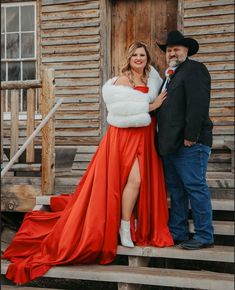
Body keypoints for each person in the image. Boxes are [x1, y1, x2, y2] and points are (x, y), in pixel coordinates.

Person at [2, 42, 173, 284]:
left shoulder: (153, 78)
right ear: (128, 58)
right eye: (134, 55)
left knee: (137, 181)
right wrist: (149, 106)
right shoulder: (119, 81)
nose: (138, 58)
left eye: (142, 55)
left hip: (145, 137)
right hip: (122, 137)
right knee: (131, 180)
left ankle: (128, 223)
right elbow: (116, 109)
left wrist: (156, 105)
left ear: (147, 58)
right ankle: (125, 227)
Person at [155, 30, 214, 250]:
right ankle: (178, 232)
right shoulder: (170, 75)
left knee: (194, 187)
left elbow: (198, 105)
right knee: (177, 190)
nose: (172, 52)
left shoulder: (194, 69)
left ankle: (204, 235)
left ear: (186, 51)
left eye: (176, 49)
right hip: (171, 144)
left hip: (190, 143)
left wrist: (191, 136)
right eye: (169, 50)